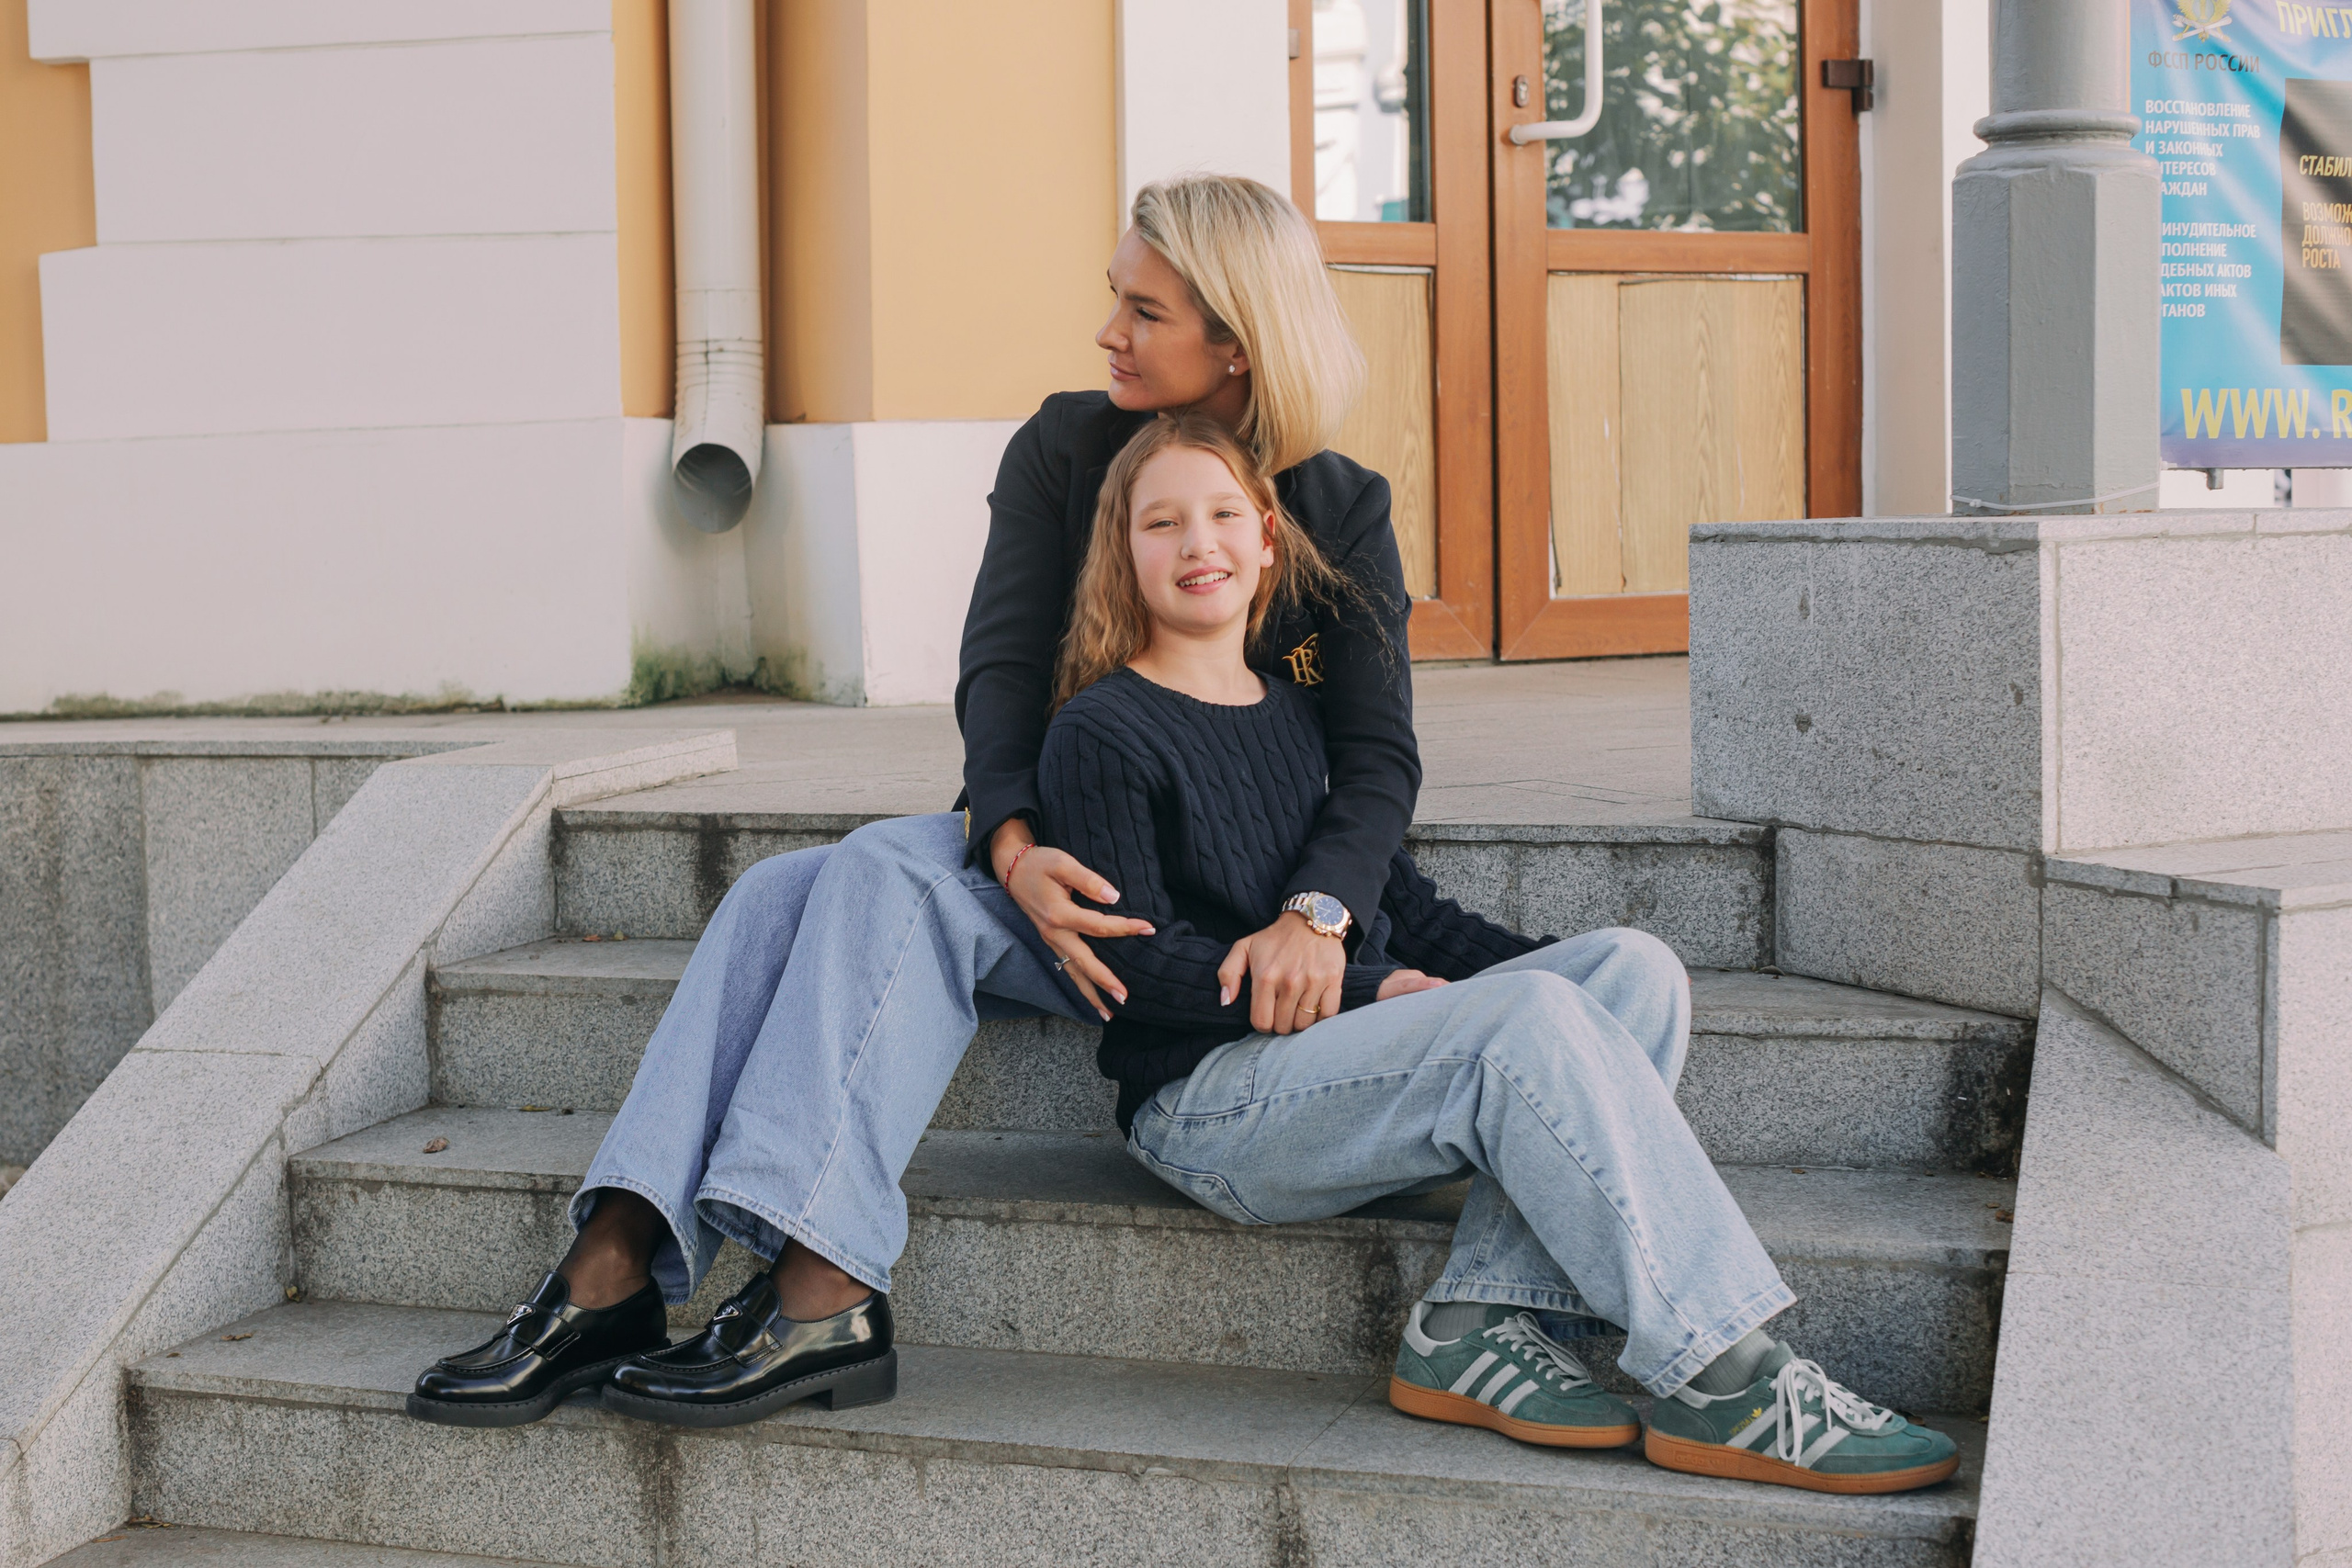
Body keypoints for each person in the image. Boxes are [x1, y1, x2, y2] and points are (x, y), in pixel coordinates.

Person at [403, 174, 1419, 1430]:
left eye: (1142, 311)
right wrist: (1012, 844)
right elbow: (1000, 668)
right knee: (788, 886)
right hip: (1065, 859)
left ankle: (820, 1282)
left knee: (874, 871)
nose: (1107, 332)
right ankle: (616, 1255)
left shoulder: (1339, 508)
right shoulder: (1065, 446)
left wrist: (1320, 915)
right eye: (1115, 299)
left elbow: (1377, 759)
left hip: (1215, 922)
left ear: (1236, 341)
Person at [1034, 412, 1961, 1495]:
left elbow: (1407, 911)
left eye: (1223, 514)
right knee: (1528, 1022)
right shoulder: (1099, 731)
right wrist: (1379, 993)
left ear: (1270, 538)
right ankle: (1728, 1374)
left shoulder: (1295, 715)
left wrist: (1556, 987)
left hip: (1339, 1067)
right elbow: (1135, 969)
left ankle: (1471, 1321)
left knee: (1631, 970)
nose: (1199, 543)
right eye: (1162, 522)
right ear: (1121, 553)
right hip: (1207, 1104)